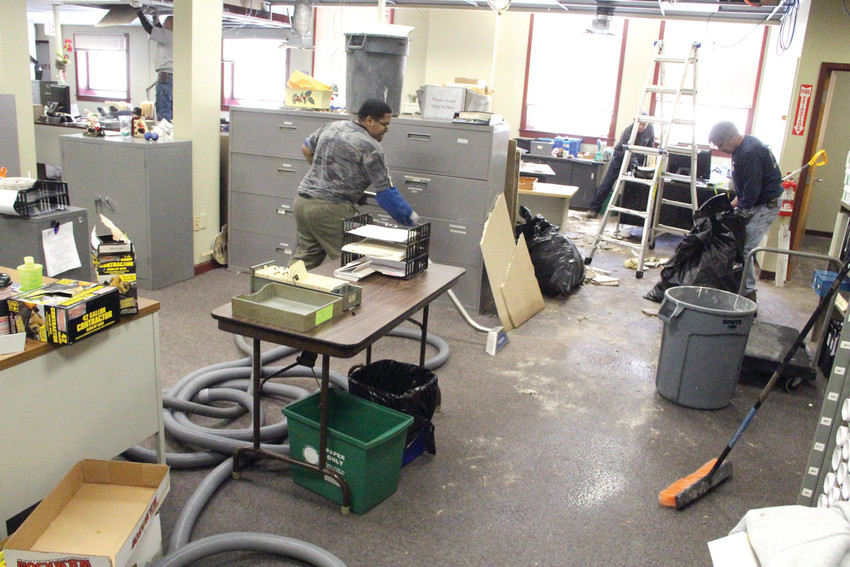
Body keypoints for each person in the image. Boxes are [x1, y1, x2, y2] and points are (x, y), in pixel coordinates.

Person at [291, 98, 420, 269]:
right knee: (355, 262)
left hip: (302, 202)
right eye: (384, 124)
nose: (386, 130)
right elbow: (386, 193)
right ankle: (352, 296)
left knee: (304, 260)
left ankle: (280, 289)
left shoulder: (333, 126)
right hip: (330, 209)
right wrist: (409, 217)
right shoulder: (370, 146)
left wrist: (326, 176)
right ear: (369, 120)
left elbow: (306, 149)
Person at [708, 121, 783, 302]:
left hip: (765, 205)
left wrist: (739, 210)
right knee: (739, 244)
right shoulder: (740, 148)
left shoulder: (750, 152)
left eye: (722, 145)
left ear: (733, 137)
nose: (721, 149)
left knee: (745, 248)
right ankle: (738, 286)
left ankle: (747, 293)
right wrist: (732, 205)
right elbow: (745, 188)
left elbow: (752, 192)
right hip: (755, 201)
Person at [586, 119, 655, 219]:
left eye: (644, 125)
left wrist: (645, 164)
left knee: (636, 186)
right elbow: (628, 152)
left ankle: (632, 216)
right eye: (640, 124)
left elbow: (650, 147)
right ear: (635, 121)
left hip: (638, 157)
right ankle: (593, 209)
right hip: (621, 157)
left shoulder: (650, 129)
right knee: (607, 183)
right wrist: (635, 166)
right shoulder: (627, 131)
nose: (641, 127)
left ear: (647, 124)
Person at [136, 7, 173, 121]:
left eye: (166, 21)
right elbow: (159, 30)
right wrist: (155, 18)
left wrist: (139, 11)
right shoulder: (172, 36)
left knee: (162, 110)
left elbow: (149, 29)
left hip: (166, 77)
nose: (164, 23)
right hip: (171, 78)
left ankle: (163, 135)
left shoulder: (168, 35)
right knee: (167, 108)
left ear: (171, 24)